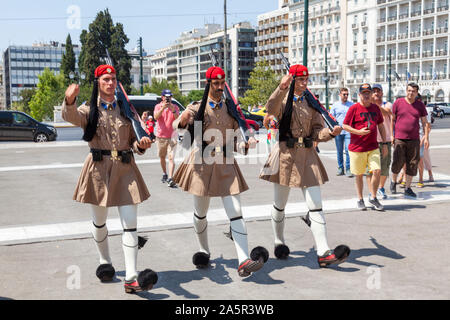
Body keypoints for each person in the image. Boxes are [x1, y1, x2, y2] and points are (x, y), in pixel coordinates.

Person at [62, 65, 157, 294]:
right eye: (106, 79)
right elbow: (71, 116)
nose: (111, 83)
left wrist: (141, 145)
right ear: (98, 82)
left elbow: (135, 139)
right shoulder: (89, 109)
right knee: (100, 222)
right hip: (98, 170)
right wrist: (69, 99)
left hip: (125, 168)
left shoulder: (126, 109)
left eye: (114, 79)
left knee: (130, 226)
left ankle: (132, 277)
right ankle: (105, 262)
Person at [172, 66, 269, 277]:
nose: (218, 87)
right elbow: (179, 129)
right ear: (208, 84)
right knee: (200, 213)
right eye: (215, 83)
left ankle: (243, 260)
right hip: (201, 163)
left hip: (225, 162)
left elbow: (236, 138)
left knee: (236, 211)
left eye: (221, 83)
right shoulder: (197, 107)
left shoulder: (230, 109)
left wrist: (246, 144)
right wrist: (183, 120)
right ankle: (203, 250)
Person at [259, 64, 351, 268]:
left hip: (308, 156)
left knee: (316, 206)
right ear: (292, 80)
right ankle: (279, 241)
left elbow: (317, 131)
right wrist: (281, 88)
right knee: (279, 205)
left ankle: (323, 251)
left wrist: (331, 133)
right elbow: (271, 109)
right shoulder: (282, 99)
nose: (304, 83)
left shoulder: (311, 103)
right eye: (301, 79)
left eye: (306, 79)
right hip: (285, 156)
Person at [342, 84, 388, 211]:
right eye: (364, 93)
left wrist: (384, 143)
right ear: (359, 95)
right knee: (359, 175)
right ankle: (360, 199)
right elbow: (345, 126)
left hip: (373, 146)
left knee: (377, 171)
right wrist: (358, 132)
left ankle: (373, 197)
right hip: (357, 148)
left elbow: (381, 126)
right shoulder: (354, 108)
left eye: (369, 92)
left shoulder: (375, 108)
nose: (367, 95)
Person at [390, 83, 429, 198]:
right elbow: (392, 120)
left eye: (413, 91)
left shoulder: (420, 105)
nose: (411, 93)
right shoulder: (398, 103)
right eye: (409, 90)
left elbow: (424, 122)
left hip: (414, 139)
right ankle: (393, 182)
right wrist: (392, 135)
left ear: (417, 93)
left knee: (412, 164)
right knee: (397, 162)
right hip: (399, 138)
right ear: (406, 91)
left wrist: (426, 137)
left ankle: (407, 188)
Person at [154, 89, 180, 188]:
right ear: (162, 97)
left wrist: (172, 109)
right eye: (166, 97)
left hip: (172, 136)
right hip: (161, 137)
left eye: (169, 97)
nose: (168, 99)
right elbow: (156, 117)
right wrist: (163, 108)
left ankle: (170, 177)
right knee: (162, 157)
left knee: (171, 157)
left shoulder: (175, 107)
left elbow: (178, 118)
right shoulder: (158, 106)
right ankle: (165, 173)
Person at [372, 84, 393, 199]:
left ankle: (381, 187)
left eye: (378, 91)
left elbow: (386, 113)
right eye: (373, 91)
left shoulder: (387, 104)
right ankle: (373, 189)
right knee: (374, 168)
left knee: (385, 166)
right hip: (373, 141)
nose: (376, 93)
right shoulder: (369, 106)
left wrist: (374, 104)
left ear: (382, 93)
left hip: (385, 141)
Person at [330, 88, 354, 176]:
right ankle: (340, 168)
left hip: (348, 131)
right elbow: (331, 117)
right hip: (338, 131)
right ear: (340, 95)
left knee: (348, 150)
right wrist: (332, 129)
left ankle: (348, 169)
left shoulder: (351, 105)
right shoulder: (335, 105)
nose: (346, 96)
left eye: (347, 94)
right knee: (339, 150)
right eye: (344, 94)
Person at [417, 110, 433, 187]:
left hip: (423, 137)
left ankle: (429, 174)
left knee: (425, 157)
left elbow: (428, 127)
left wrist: (425, 139)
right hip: (414, 138)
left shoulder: (426, 112)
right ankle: (403, 176)